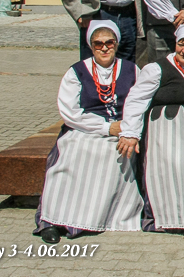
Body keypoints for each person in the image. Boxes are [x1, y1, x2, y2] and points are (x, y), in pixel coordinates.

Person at [34, 21, 143, 244]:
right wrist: (105, 127)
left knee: (114, 152)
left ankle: (100, 218)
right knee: (74, 151)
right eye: (98, 44)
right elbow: (70, 112)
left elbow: (141, 103)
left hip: (122, 129)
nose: (104, 48)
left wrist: (128, 129)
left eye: (109, 43)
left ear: (116, 44)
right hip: (83, 128)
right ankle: (53, 220)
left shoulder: (132, 69)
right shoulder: (76, 72)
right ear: (91, 47)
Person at [117, 25, 184, 234]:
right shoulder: (157, 69)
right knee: (174, 163)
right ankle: (169, 217)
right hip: (168, 134)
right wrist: (130, 133)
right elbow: (136, 100)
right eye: (181, 44)